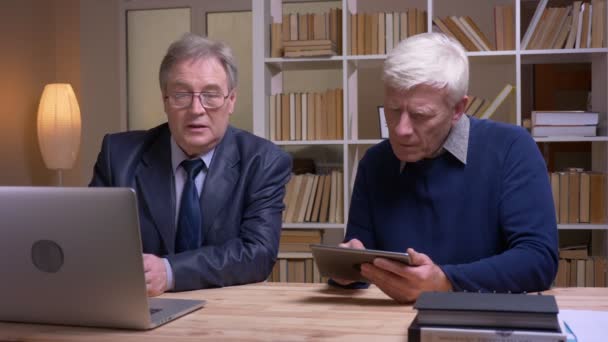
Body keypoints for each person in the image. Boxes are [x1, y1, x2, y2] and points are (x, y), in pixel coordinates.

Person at [334, 32, 558, 303]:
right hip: (387, 324)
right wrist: (345, 268)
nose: (401, 129)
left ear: (458, 108)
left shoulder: (511, 147)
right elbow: (359, 267)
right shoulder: (375, 162)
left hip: (486, 322)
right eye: (392, 110)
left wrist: (444, 282)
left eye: (420, 115)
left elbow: (538, 259)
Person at [90, 33, 291, 296]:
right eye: (181, 95)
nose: (197, 109)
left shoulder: (264, 161)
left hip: (227, 311)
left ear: (231, 100)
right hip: (140, 305)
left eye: (211, 94)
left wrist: (169, 272)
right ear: (165, 100)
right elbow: (92, 241)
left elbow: (258, 253)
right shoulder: (118, 156)